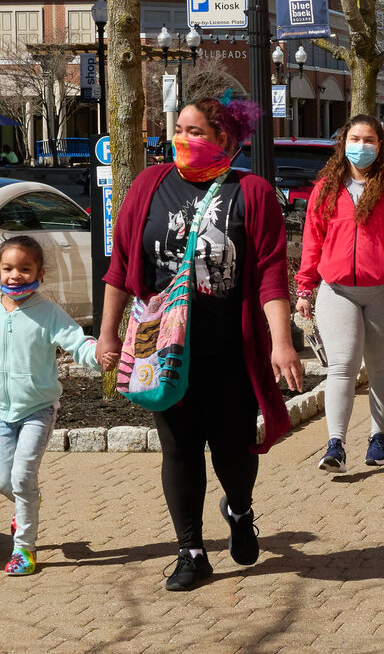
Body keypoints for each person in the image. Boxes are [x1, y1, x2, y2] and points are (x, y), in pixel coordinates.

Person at [97, 95, 301, 592]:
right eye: (180, 130)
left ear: (225, 139)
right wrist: (107, 332)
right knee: (180, 449)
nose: (183, 140)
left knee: (234, 451)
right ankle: (191, 551)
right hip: (163, 350)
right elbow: (122, 266)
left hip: (228, 348)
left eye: (196, 132)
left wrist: (282, 342)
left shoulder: (249, 193)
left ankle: (239, 508)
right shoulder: (149, 185)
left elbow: (271, 275)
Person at [0, 235, 100, 577]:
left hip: (38, 409)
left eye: (25, 268)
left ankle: (24, 548)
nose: (16, 275)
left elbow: (76, 342)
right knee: (4, 483)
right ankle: (27, 505)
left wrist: (98, 356)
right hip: (3, 414)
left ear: (40, 272)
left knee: (23, 479)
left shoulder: (48, 313)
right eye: (8, 268)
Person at [295, 115, 384, 473]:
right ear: (343, 143)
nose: (362, 146)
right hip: (337, 290)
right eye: (355, 138)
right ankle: (336, 444)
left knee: (380, 366)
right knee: (341, 366)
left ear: (380, 145)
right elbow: (312, 242)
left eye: (369, 139)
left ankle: (378, 438)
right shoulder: (327, 188)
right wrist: (305, 288)